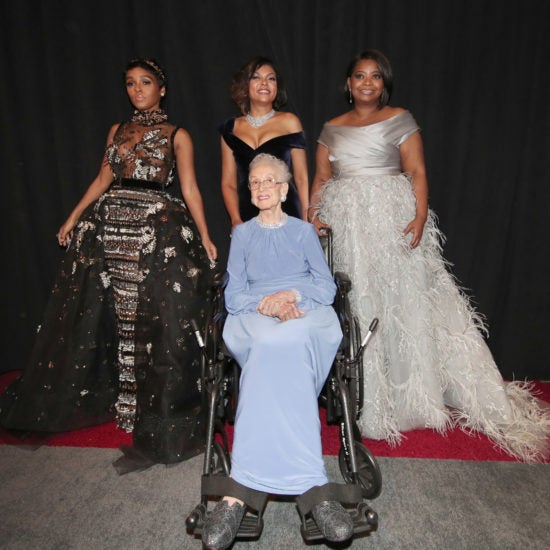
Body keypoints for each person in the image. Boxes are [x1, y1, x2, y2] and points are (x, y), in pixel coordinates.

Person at [309, 49, 550, 462]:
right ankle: (370, 398)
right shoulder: (331, 129)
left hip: (392, 222)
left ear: (384, 84)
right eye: (359, 76)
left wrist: (420, 216)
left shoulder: (400, 118)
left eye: (375, 76)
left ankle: (412, 398)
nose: (367, 83)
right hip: (349, 230)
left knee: (404, 304)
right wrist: (313, 216)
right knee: (361, 305)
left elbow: (417, 171)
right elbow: (320, 178)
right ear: (348, 84)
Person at [0, 58, 218, 472]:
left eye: (146, 82)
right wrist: (73, 217)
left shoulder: (178, 135)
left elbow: (190, 187)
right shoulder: (117, 130)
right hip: (110, 224)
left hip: (153, 230)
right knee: (114, 316)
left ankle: (148, 406)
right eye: (131, 83)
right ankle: (123, 401)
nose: (138, 90)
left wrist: (205, 235)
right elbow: (103, 179)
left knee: (151, 317)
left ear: (162, 89)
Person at [201, 153, 353, 549]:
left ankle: (243, 493)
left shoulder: (303, 232)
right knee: (269, 341)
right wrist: (267, 304)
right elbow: (234, 294)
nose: (261, 187)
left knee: (289, 340)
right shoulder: (242, 235)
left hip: (305, 309)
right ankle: (308, 485)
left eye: (269, 180)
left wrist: (291, 295)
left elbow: (325, 287)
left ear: (284, 189)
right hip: (253, 313)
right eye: (254, 182)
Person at [219, 56, 309, 230]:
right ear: (245, 85)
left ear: (277, 87)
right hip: (247, 215)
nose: (264, 83)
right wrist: (235, 219)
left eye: (271, 78)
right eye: (256, 77)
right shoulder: (231, 129)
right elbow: (228, 183)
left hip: (287, 211)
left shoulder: (290, 122)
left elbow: (301, 177)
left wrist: (306, 218)